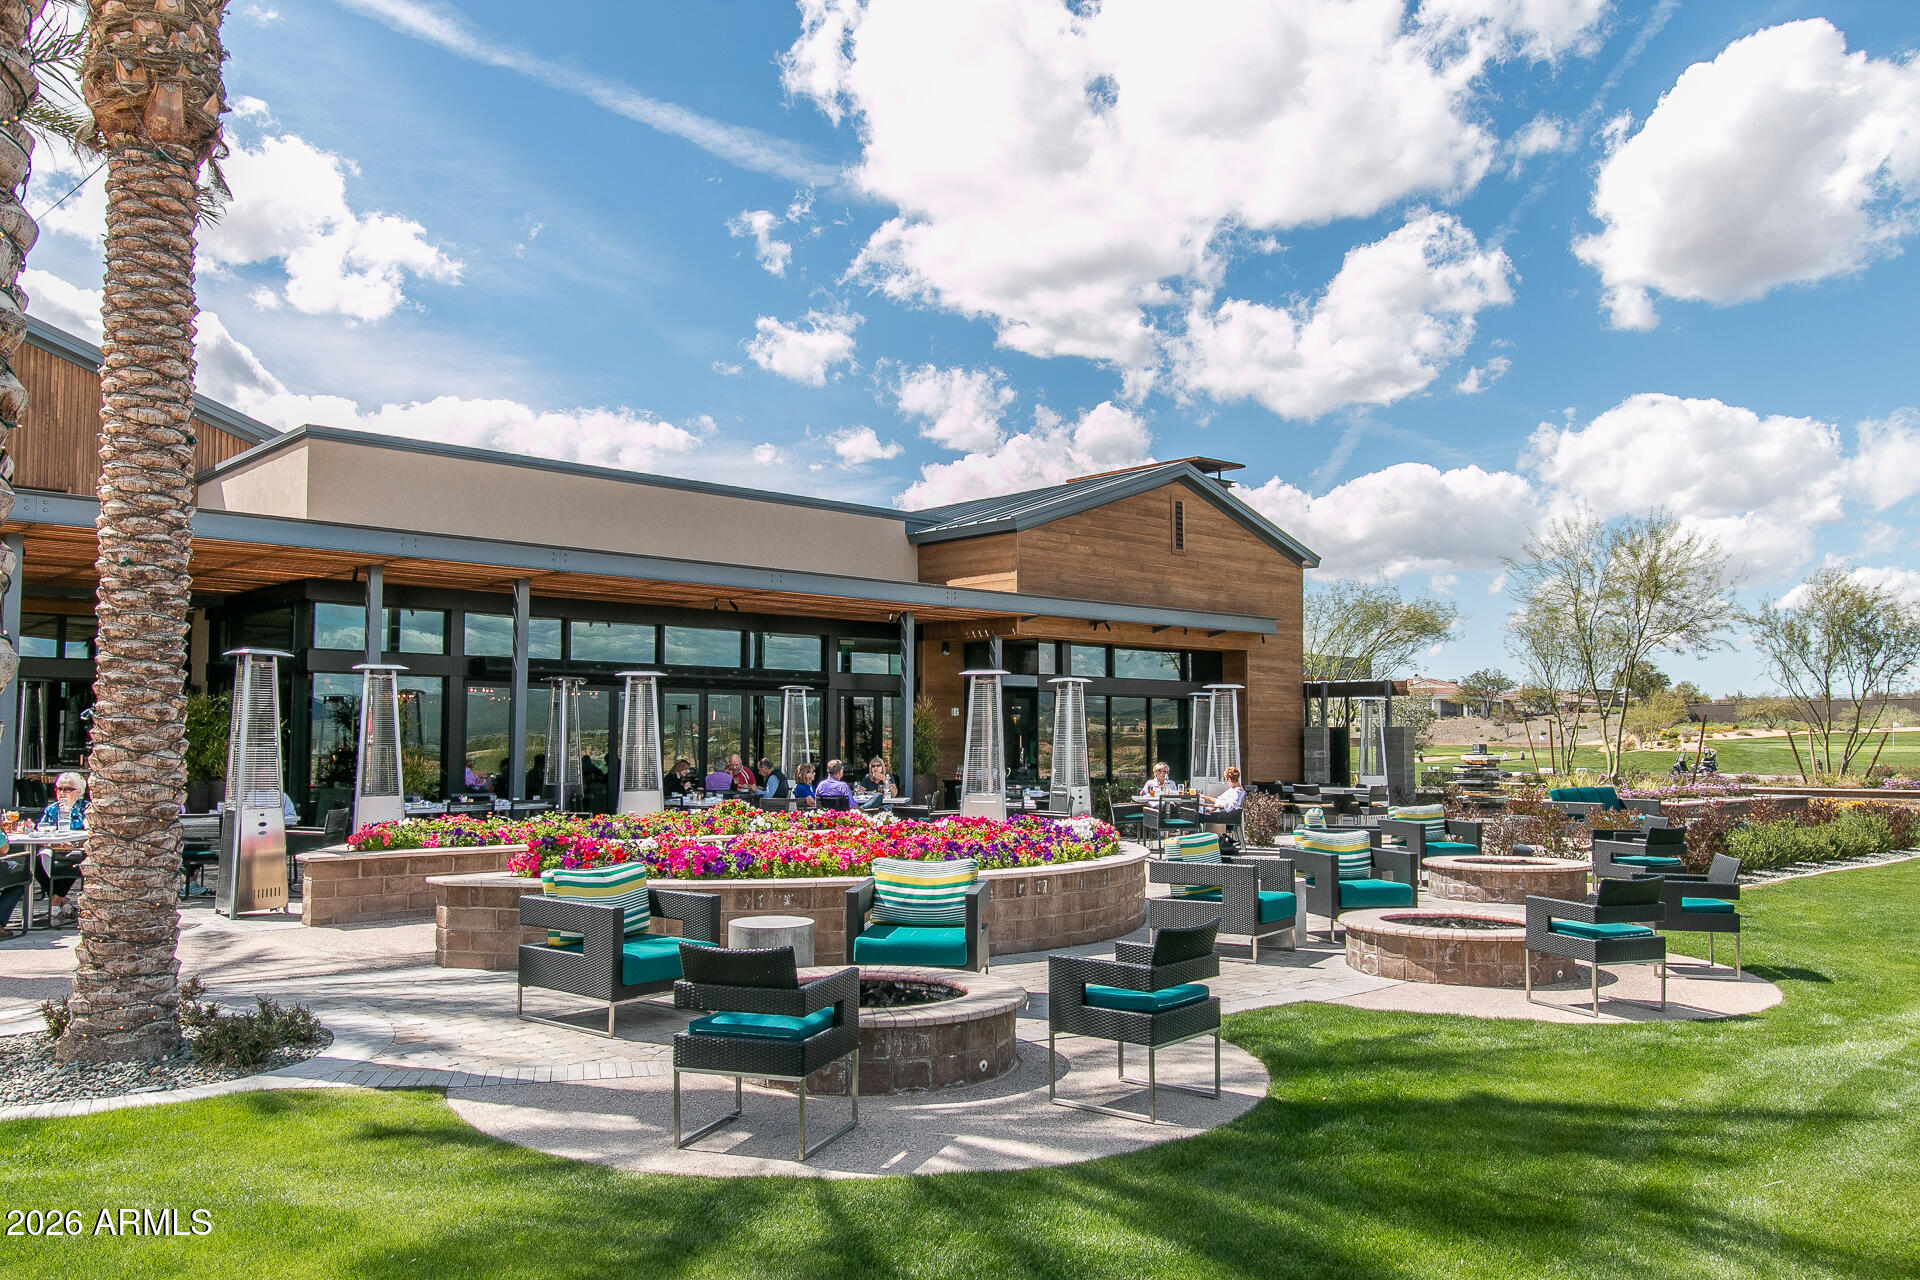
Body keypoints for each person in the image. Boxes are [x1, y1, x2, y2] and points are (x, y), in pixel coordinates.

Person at [36, 771, 87, 926]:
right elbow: (42, 828)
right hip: (54, 849)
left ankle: (55, 901)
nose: (62, 793)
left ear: (78, 792)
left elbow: (88, 832)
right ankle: (60, 900)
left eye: (67, 789)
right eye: (59, 789)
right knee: (36, 861)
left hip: (76, 851)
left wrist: (72, 842)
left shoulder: (85, 809)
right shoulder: (52, 809)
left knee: (71, 859)